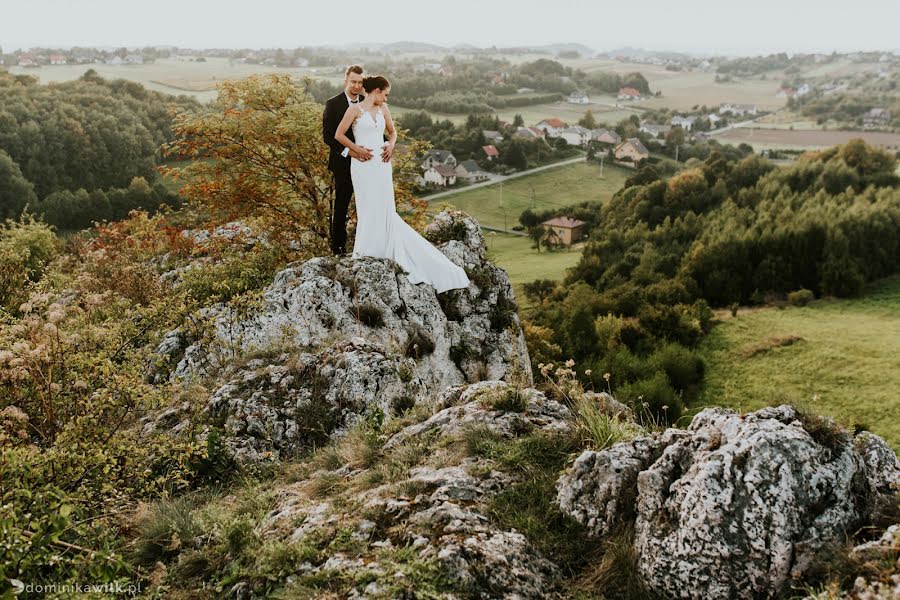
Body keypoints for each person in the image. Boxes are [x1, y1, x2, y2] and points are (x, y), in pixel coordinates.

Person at [333, 75, 470, 294]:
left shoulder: (383, 109)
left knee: (386, 208)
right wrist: (356, 150)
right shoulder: (354, 110)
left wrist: (391, 145)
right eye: (385, 94)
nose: (386, 97)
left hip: (381, 164)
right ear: (376, 90)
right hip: (362, 165)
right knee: (367, 206)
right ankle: (368, 249)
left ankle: (388, 247)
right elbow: (338, 135)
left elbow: (393, 132)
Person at [322, 65, 372, 256]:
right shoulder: (333, 104)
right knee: (341, 207)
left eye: (360, 82)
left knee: (366, 205)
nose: (357, 86)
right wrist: (349, 152)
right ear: (346, 81)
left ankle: (365, 246)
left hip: (365, 164)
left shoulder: (367, 103)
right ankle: (339, 249)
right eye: (353, 82)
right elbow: (328, 136)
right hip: (342, 164)